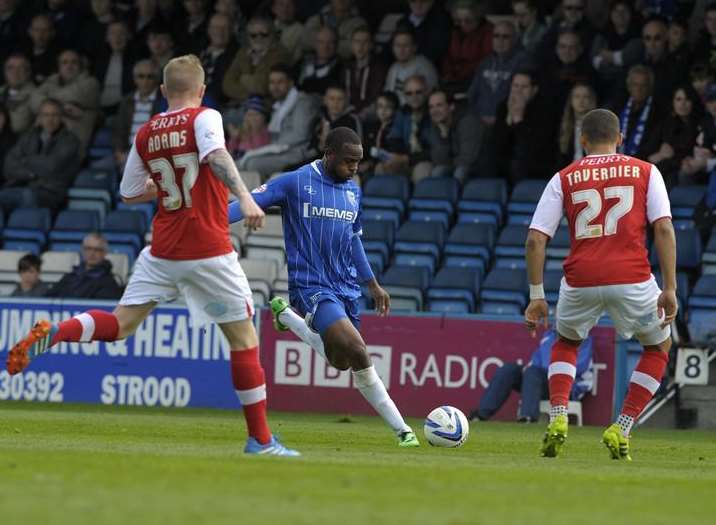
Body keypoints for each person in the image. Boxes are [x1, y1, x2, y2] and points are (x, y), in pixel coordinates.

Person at [6, 55, 299, 457]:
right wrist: (247, 198)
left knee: (121, 325)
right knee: (243, 338)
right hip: (209, 248)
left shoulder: (145, 132)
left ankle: (59, 331)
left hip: (161, 249)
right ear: (200, 91)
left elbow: (128, 193)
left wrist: (166, 184)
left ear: (163, 91)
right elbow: (216, 157)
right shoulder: (205, 117)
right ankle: (261, 440)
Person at [227, 127, 420, 448]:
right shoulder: (295, 182)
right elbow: (247, 202)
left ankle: (286, 317)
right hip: (311, 286)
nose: (354, 168)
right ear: (328, 154)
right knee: (358, 350)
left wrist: (371, 283)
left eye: (358, 162)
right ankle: (404, 431)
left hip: (346, 288)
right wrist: (210, 223)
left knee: (341, 360)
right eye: (348, 162)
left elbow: (353, 238)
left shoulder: (353, 190)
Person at [525, 108, 676, 461]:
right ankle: (621, 427)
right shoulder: (646, 171)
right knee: (657, 349)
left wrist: (536, 295)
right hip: (633, 277)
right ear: (620, 139)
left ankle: (559, 416)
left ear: (583, 140)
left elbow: (535, 239)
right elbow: (664, 229)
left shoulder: (564, 177)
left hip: (581, 279)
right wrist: (669, 288)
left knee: (566, 342)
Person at [470, 330, 593, 423]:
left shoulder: (583, 339)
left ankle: (528, 418)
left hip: (568, 386)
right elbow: (536, 359)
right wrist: (528, 369)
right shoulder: (549, 335)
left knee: (533, 373)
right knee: (508, 370)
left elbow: (577, 367)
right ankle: (480, 415)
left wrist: (533, 370)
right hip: (540, 380)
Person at [45, 233, 123, 299]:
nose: (92, 253)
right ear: (82, 250)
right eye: (88, 249)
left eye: (97, 250)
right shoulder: (70, 276)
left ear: (104, 253)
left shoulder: (109, 282)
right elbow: (47, 298)